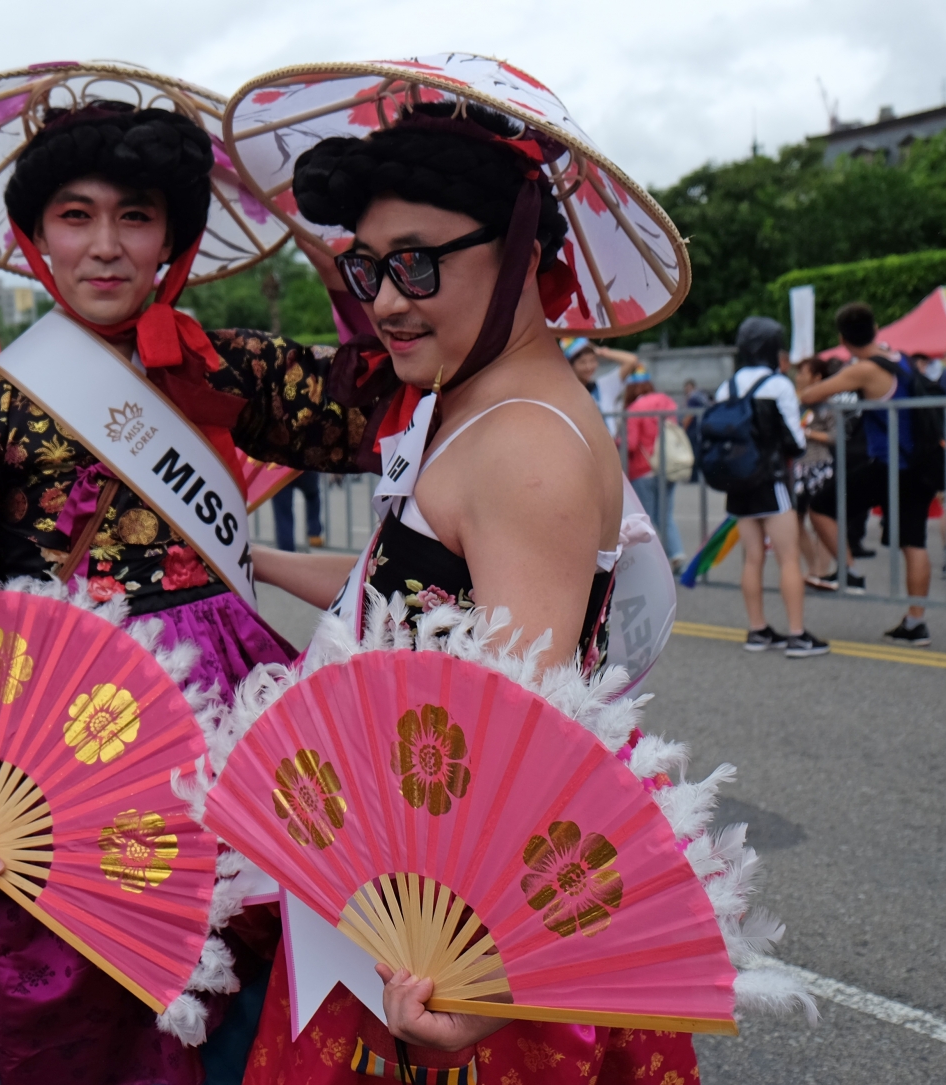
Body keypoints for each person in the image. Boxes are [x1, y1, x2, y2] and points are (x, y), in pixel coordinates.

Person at [233, 66, 707, 1084]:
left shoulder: (520, 446)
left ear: (525, 252)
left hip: (466, 942)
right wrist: (254, 558)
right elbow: (415, 600)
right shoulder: (477, 401)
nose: (387, 305)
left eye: (418, 265)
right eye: (367, 269)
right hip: (423, 895)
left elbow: (530, 741)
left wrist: (488, 982)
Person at [0, 96, 369, 1085]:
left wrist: (345, 277)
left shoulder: (220, 365)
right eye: (75, 214)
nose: (104, 246)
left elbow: (376, 411)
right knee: (72, 982)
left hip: (231, 715)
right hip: (61, 739)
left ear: (174, 238)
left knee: (260, 959)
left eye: (135, 215)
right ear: (34, 238)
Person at [799, 302, 937, 645]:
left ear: (843, 339)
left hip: (890, 465)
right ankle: (915, 622)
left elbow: (812, 394)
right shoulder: (897, 356)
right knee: (914, 543)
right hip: (919, 463)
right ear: (876, 329)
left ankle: (851, 573)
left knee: (820, 506)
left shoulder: (863, 369)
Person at [712, 317, 827, 657]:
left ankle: (758, 630)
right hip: (772, 481)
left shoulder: (727, 387)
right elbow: (795, 441)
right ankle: (796, 634)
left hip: (738, 483)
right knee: (789, 558)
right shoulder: (779, 385)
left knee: (753, 559)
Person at [620, 373, 686, 569]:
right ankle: (676, 554)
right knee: (665, 515)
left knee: (644, 517)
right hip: (668, 466)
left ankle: (649, 564)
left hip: (643, 469)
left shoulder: (633, 409)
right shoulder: (666, 402)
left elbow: (630, 444)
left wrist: (616, 440)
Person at [793, 357, 845, 583]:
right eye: (798, 373)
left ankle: (823, 570)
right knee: (795, 520)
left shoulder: (826, 405)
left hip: (819, 465)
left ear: (817, 377)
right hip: (796, 467)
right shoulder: (793, 402)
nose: (799, 377)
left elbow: (836, 436)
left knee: (820, 518)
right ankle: (813, 566)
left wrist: (808, 433)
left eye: (804, 373)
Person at [563, 338, 641, 434]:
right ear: (571, 365)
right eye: (582, 362)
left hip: (609, 444)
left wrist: (600, 351)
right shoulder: (565, 393)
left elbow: (631, 360)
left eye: (592, 360)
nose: (589, 366)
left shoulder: (604, 386)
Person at [271, 470, 324, 550]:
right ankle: (314, 533)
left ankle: (286, 553)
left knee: (283, 514)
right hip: (305, 467)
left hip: (280, 468)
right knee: (312, 495)